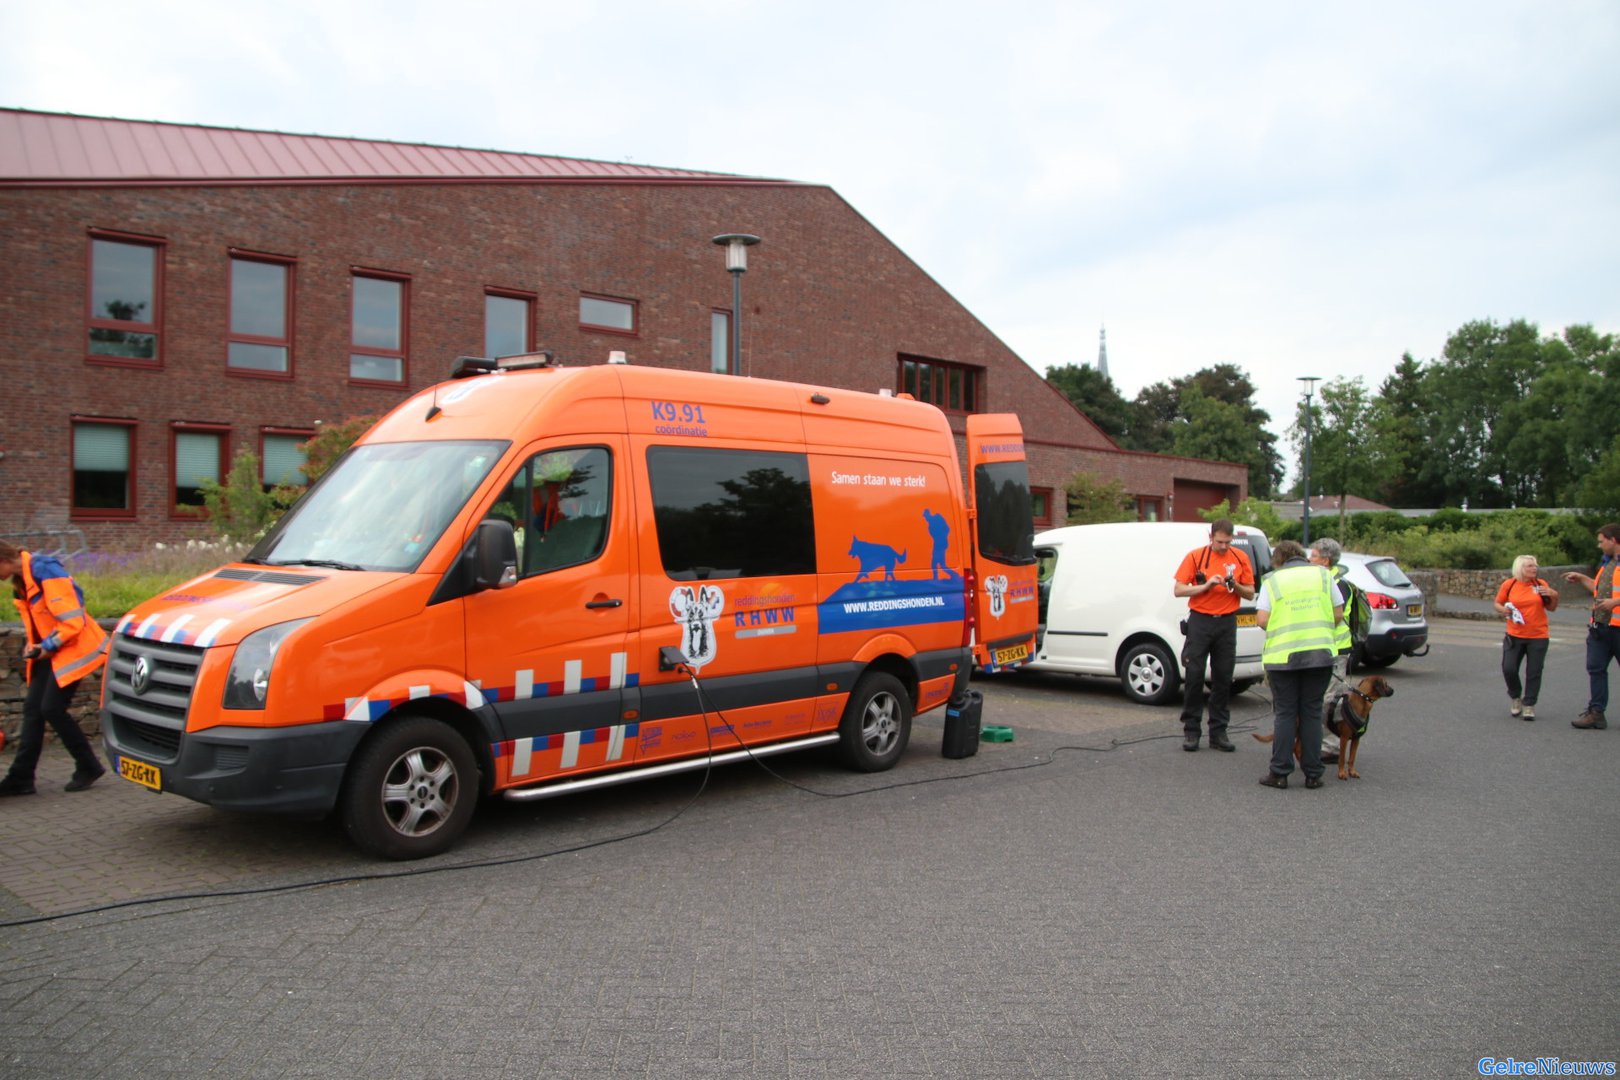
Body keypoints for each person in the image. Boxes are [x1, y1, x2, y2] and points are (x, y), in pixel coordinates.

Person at [0, 541, 109, 796]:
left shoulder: (45, 569)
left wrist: (45, 646)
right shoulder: (22, 580)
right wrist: (34, 646)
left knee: (51, 708)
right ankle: (21, 778)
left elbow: (73, 621)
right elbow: (37, 622)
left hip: (72, 649)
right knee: (33, 711)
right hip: (52, 652)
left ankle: (89, 765)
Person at [1255, 539, 1343, 790]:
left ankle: (1280, 773)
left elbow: (1262, 619)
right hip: (1320, 654)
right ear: (1303, 556)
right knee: (1312, 712)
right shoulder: (1324, 577)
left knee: (1285, 713)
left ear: (1278, 561)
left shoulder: (1273, 580)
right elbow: (1338, 613)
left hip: (1283, 657)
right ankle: (1314, 774)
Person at [1173, 518, 1256, 752]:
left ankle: (1218, 732)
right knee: (1195, 675)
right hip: (1200, 620)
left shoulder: (1240, 558)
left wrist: (1234, 585)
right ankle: (1191, 730)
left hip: (1227, 622)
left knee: (1223, 677)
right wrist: (1206, 586)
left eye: (1227, 542)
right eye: (1219, 542)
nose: (1223, 547)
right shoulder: (1196, 556)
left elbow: (1249, 593)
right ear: (1211, 538)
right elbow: (1179, 589)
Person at [1564, 523, 1620, 730]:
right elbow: (1599, 590)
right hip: (1600, 627)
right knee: (1595, 669)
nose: (1599, 546)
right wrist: (1581, 579)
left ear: (1612, 540)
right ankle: (1596, 713)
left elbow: (1613, 596)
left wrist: (1615, 603)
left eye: (1601, 541)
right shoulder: (1606, 563)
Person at [1307, 538, 1357, 760]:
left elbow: (1335, 616)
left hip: (1336, 650)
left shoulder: (1339, 584)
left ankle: (1332, 747)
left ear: (1325, 560)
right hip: (1320, 648)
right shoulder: (1320, 580)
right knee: (1318, 697)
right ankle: (1318, 742)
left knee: (1332, 700)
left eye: (1314, 556)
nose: (1309, 559)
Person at [1494, 554, 1559, 720]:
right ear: (1520, 568)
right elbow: (1498, 603)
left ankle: (1529, 704)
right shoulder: (1510, 584)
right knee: (1509, 668)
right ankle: (1516, 697)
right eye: (1529, 566)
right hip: (1514, 635)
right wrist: (1503, 610)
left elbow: (1551, 607)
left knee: (1534, 671)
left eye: (1535, 566)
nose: (1534, 569)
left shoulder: (1540, 584)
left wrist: (1553, 594)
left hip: (1538, 635)